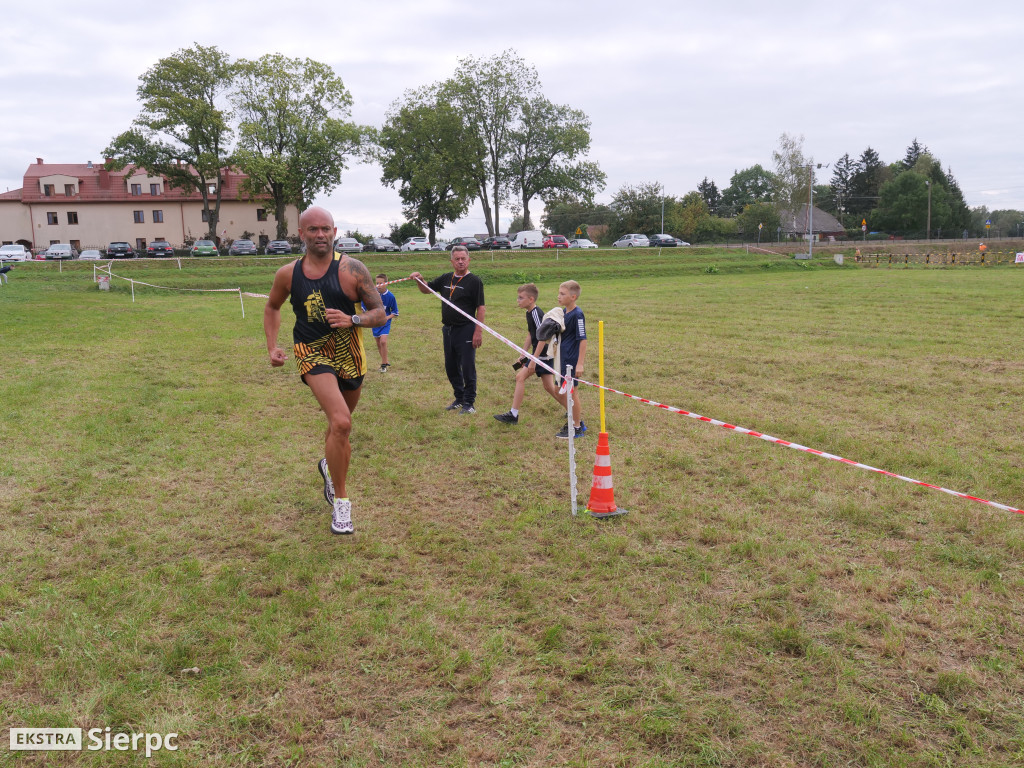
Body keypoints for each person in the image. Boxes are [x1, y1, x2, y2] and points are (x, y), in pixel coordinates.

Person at [264, 206, 386, 535]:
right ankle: (342, 504)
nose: (320, 235)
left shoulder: (353, 269)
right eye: (313, 229)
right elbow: (272, 306)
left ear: (335, 231)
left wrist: (354, 319)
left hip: (350, 352)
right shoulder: (288, 274)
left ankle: (329, 468)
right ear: (301, 234)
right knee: (342, 421)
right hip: (311, 350)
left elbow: (380, 314)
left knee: (339, 427)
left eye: (326, 229)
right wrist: (272, 346)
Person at [410, 246, 485, 414]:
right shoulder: (446, 278)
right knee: (451, 366)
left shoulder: (474, 281)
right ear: (452, 261)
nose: (460, 261)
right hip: (448, 330)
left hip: (466, 329)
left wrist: (478, 332)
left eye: (463, 259)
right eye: (457, 259)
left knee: (467, 366)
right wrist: (419, 279)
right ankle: (459, 398)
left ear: (468, 260)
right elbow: (426, 289)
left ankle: (469, 403)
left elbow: (481, 308)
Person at [493, 283, 558, 425]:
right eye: (518, 297)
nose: (518, 300)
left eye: (521, 298)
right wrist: (523, 353)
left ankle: (513, 414)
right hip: (539, 354)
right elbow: (531, 334)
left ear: (531, 299)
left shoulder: (536, 313)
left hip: (542, 355)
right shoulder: (529, 313)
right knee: (548, 387)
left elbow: (543, 337)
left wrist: (534, 360)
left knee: (519, 377)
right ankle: (571, 408)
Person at [548, 280, 587, 439]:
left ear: (573, 296)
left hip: (571, 361)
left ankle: (576, 427)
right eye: (559, 293)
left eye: (562, 294)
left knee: (572, 393)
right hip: (561, 359)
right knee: (558, 390)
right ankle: (575, 418)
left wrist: (580, 363)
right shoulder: (564, 312)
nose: (558, 296)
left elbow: (583, 339)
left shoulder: (577, 314)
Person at [362, 274, 399, 373]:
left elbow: (395, 312)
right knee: (378, 343)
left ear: (386, 283)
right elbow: (363, 307)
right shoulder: (372, 295)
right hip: (375, 322)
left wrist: (387, 318)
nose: (378, 285)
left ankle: (383, 365)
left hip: (385, 323)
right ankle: (385, 361)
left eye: (381, 283)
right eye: (377, 283)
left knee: (383, 341)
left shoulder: (391, 296)